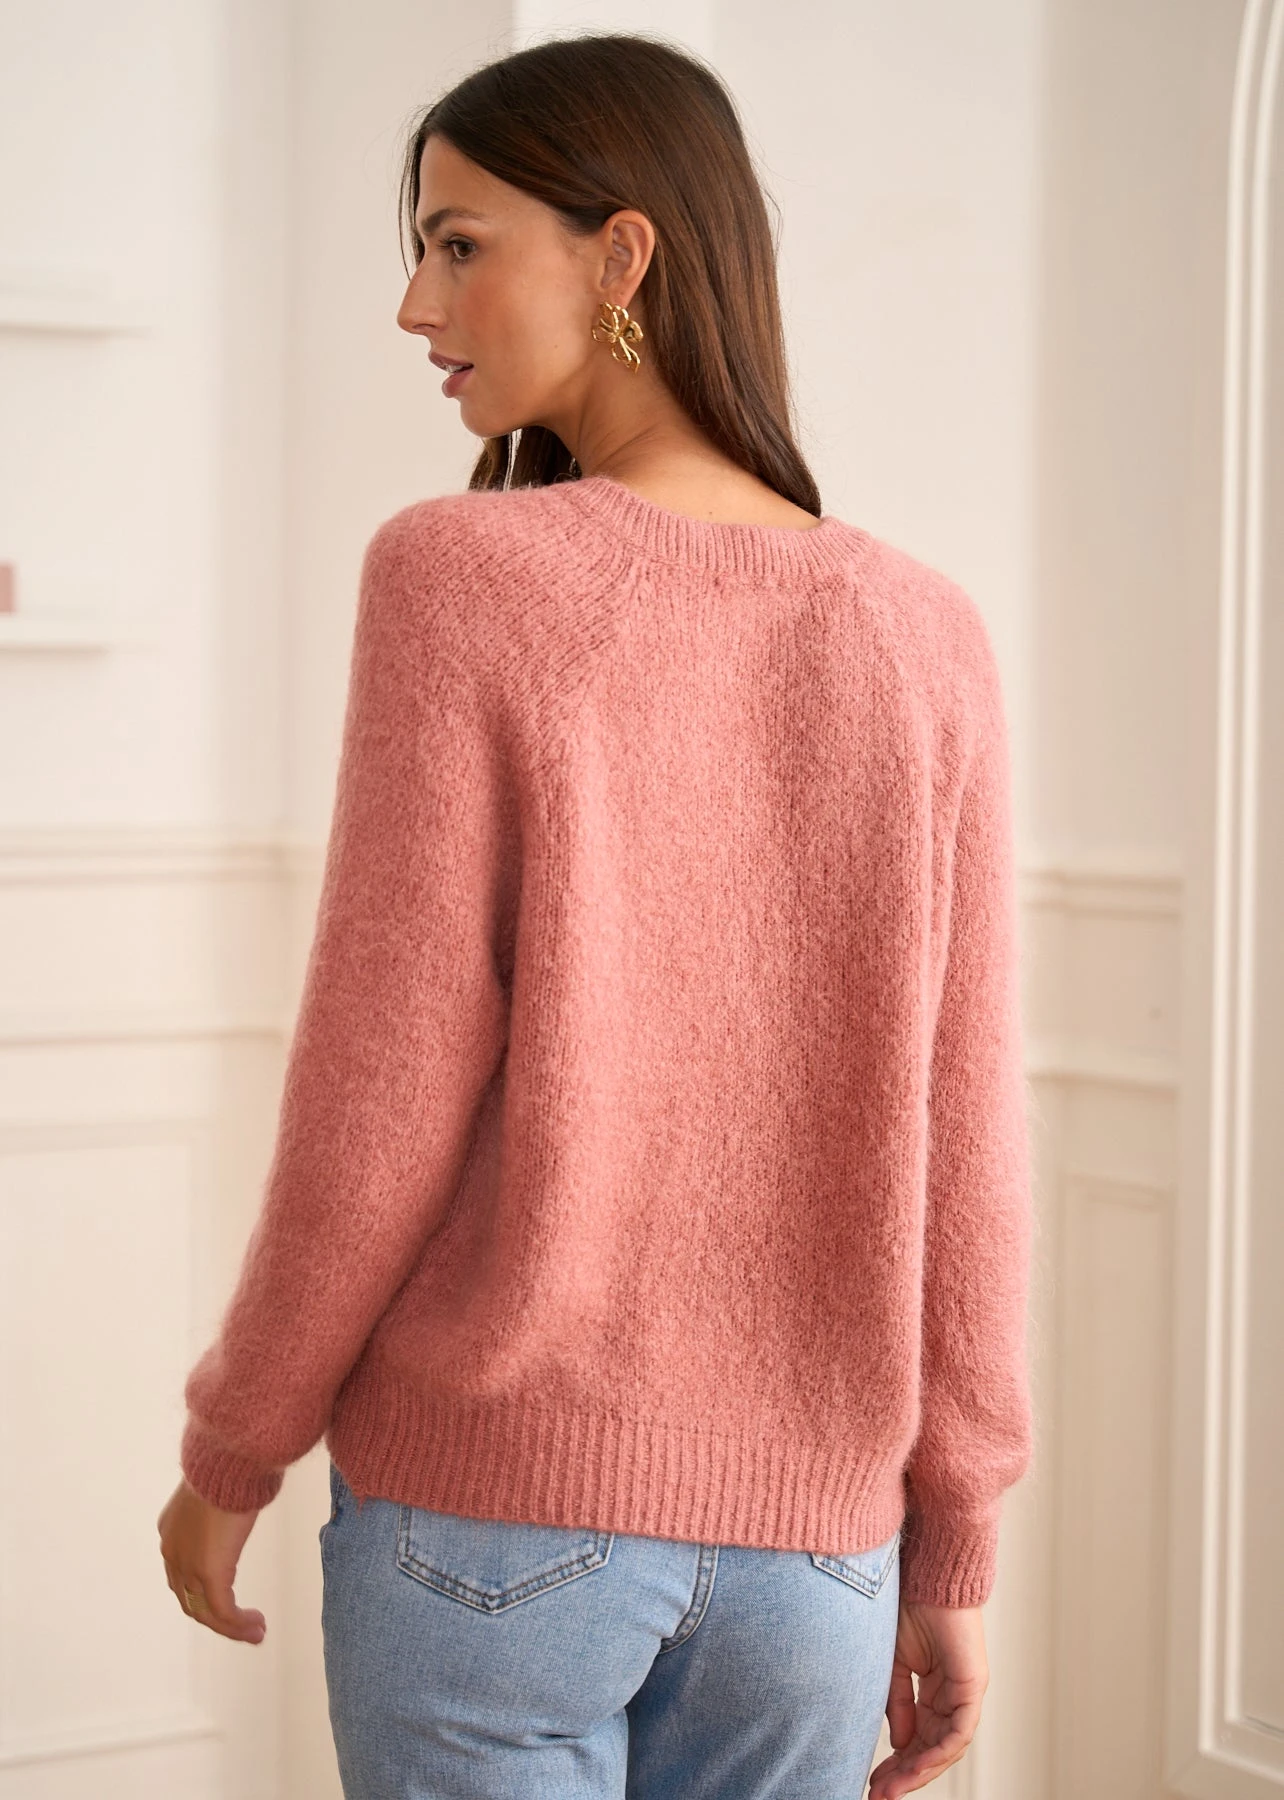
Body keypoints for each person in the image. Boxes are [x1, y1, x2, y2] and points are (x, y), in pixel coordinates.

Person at [156, 31, 1034, 1800]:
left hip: (495, 1523)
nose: (416, 304)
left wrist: (234, 1443)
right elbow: (970, 1145)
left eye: (459, 243)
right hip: (818, 1569)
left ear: (622, 255)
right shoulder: (925, 634)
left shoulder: (459, 576)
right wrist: (952, 1548)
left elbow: (380, 1087)